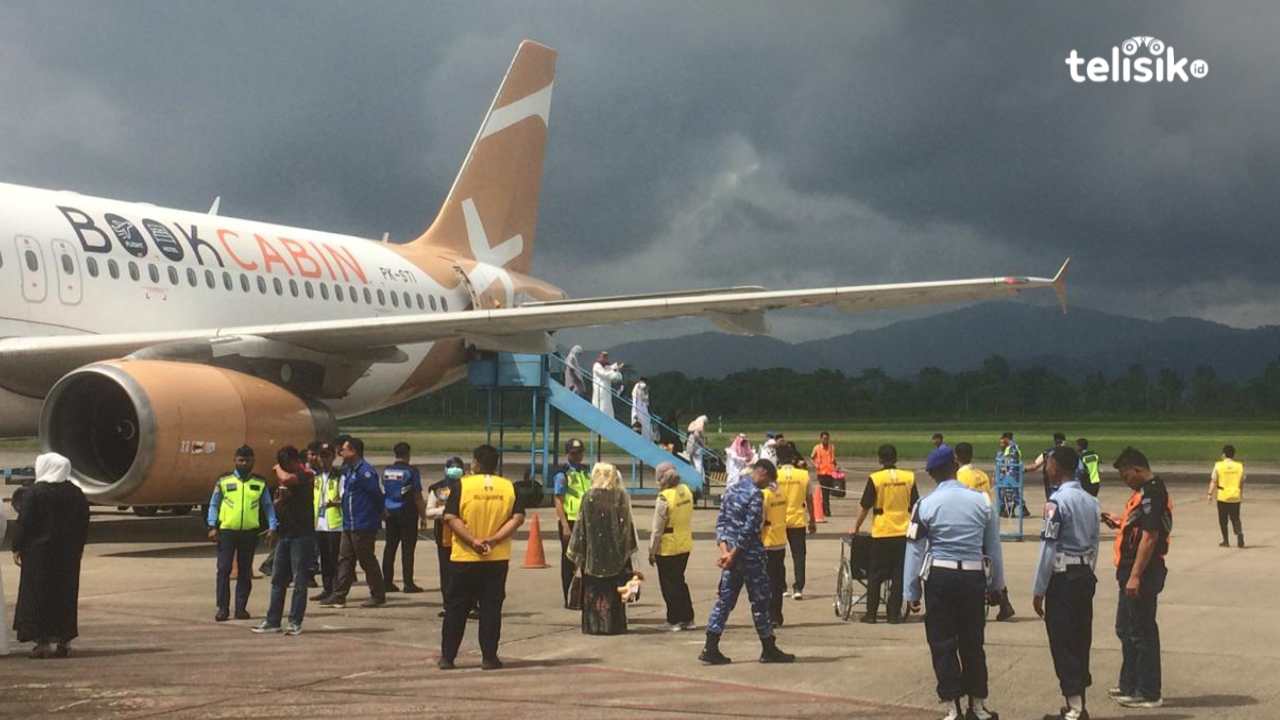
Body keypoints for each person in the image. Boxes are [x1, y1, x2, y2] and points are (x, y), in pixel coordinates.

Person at [903, 445, 1005, 720]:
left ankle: (952, 706)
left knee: (942, 642)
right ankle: (979, 705)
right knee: (973, 641)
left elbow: (914, 550)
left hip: (940, 577)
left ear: (932, 474)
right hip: (973, 576)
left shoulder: (924, 505)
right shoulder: (982, 501)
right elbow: (993, 548)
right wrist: (997, 586)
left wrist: (911, 590)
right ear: (955, 465)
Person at [699, 459, 795, 665]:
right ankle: (768, 647)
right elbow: (750, 529)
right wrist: (734, 554)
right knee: (760, 601)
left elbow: (722, 523)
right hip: (749, 557)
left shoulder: (731, 490)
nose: (767, 485)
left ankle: (711, 645)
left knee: (724, 601)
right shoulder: (755, 494)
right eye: (768, 480)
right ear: (761, 473)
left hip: (731, 558)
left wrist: (725, 552)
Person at [439, 444, 526, 670]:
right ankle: (489, 657)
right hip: (496, 557)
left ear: (475, 463)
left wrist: (472, 540)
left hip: (464, 557)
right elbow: (517, 518)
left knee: (456, 608)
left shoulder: (462, 485)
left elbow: (450, 517)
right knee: (490, 609)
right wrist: (494, 539)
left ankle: (448, 657)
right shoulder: (508, 487)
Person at [1032, 445, 1101, 720]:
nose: (1046, 468)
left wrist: (1039, 588)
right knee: (1081, 637)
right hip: (1084, 574)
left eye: (1048, 464)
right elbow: (1095, 542)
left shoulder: (1057, 503)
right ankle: (1078, 701)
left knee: (1062, 641)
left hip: (1063, 577)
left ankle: (1074, 709)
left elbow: (1048, 547)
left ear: (1057, 468)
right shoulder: (1090, 500)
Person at [1102, 447, 1171, 709]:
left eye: (1125, 475)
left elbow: (1151, 536)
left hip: (1142, 571)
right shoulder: (1143, 494)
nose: (1124, 480)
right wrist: (1121, 522)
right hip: (1130, 570)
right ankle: (1130, 684)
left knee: (1141, 631)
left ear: (1137, 469)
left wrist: (1135, 576)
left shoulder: (1153, 492)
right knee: (1126, 629)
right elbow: (1140, 528)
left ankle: (1148, 691)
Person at [11, 453, 90, 659]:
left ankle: (42, 643)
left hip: (39, 555)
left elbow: (25, 523)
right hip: (68, 555)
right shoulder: (76, 493)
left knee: (38, 596)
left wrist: (16, 546)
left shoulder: (34, 493)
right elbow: (83, 523)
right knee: (65, 595)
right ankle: (64, 641)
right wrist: (79, 548)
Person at [567, 463, 638, 635]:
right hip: (615, 554)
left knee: (594, 590)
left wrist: (577, 551)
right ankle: (614, 625)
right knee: (614, 591)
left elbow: (581, 527)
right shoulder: (620, 496)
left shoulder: (589, 496)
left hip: (593, 554)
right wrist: (627, 548)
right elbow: (626, 526)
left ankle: (593, 625)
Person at [207, 445, 276, 622]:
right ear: (235, 461)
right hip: (227, 531)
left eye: (248, 460)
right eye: (241, 460)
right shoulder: (224, 481)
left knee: (245, 571)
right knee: (224, 570)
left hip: (249, 533)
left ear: (253, 461)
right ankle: (222, 608)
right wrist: (212, 525)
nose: (244, 463)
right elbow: (214, 504)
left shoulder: (259, 483)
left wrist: (272, 526)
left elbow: (268, 506)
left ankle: (241, 608)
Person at [852, 444, 918, 624]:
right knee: (898, 575)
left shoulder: (875, 478)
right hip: (902, 531)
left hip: (882, 531)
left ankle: (871, 613)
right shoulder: (909, 477)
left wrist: (856, 527)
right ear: (896, 458)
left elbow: (865, 506)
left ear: (880, 459)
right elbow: (915, 505)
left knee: (875, 575)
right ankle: (893, 614)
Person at [255, 446, 317, 636]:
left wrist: (276, 468)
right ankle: (273, 620)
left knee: (299, 581)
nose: (285, 468)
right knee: (278, 579)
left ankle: (295, 621)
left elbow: (285, 478)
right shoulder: (285, 480)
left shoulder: (306, 474)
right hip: (285, 533)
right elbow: (278, 503)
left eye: (287, 464)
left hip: (302, 534)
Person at [322, 437, 386, 609]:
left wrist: (380, 513)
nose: (340, 453)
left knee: (366, 559)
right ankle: (339, 594)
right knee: (345, 559)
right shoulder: (349, 470)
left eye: (343, 449)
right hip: (349, 522)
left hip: (363, 523)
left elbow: (376, 495)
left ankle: (378, 594)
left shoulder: (365, 472)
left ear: (353, 451)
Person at [956, 442, 1015, 622]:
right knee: (994, 557)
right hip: (990, 516)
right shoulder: (980, 473)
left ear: (956, 457)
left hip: (974, 521)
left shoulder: (960, 475)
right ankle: (1002, 598)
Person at [648, 462, 695, 631]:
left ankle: (673, 619)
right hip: (684, 543)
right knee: (680, 581)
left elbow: (657, 529)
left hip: (668, 547)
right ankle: (687, 618)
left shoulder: (664, 498)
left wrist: (652, 551)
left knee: (669, 585)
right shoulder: (686, 491)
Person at [381, 442, 426, 593]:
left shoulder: (387, 471)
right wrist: (423, 516)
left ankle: (387, 581)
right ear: (408, 454)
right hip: (407, 512)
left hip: (389, 511)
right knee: (408, 549)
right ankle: (408, 583)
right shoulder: (412, 471)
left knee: (390, 547)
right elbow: (417, 495)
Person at [553, 439, 591, 608]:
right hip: (570, 519)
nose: (578, 456)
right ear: (567, 453)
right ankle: (568, 595)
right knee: (569, 559)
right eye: (574, 453)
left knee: (586, 559)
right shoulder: (562, 474)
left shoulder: (586, 472)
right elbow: (558, 501)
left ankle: (583, 594)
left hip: (586, 520)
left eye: (580, 452)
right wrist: (564, 526)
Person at [776, 444, 816, 600]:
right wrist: (812, 520)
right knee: (799, 555)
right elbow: (810, 499)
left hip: (778, 519)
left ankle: (782, 586)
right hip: (798, 519)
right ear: (793, 458)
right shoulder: (803, 475)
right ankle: (798, 587)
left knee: (778, 555)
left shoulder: (775, 476)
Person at [427, 456, 465, 617]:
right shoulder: (438, 489)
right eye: (451, 466)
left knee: (466, 571)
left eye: (458, 467)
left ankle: (470, 604)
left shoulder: (468, 486)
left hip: (465, 536)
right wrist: (445, 511)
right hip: (444, 536)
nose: (455, 469)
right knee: (447, 571)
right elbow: (429, 512)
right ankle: (449, 605)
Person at [309, 442, 343, 603]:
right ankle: (327, 588)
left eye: (326, 456)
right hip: (320, 522)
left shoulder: (339, 476)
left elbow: (343, 497)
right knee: (324, 558)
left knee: (334, 558)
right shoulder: (316, 477)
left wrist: (334, 503)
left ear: (333, 457)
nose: (323, 459)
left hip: (334, 523)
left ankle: (336, 590)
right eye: (321, 456)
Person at [761, 472, 789, 627]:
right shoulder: (781, 492)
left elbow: (760, 519)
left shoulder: (764, 494)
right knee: (777, 582)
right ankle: (777, 616)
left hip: (767, 541)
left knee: (767, 582)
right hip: (780, 540)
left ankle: (769, 616)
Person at [1208, 444, 1245, 548]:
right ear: (1233, 455)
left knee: (1223, 519)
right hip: (1235, 496)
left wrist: (1210, 493)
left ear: (1224, 454)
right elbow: (1241, 482)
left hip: (1223, 496)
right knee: (1236, 518)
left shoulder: (1218, 465)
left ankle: (1226, 541)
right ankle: (1239, 534)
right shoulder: (1239, 466)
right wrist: (1241, 493)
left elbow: (1213, 481)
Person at [1023, 433, 1068, 501]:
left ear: (1055, 441)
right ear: (1064, 441)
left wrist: (1021, 469)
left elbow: (1035, 466)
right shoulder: (1070, 452)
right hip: (1066, 482)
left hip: (1050, 482)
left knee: (1052, 502)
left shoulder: (1047, 452)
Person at [810, 431, 841, 518]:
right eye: (824, 438)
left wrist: (837, 466)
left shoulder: (831, 447)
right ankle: (826, 510)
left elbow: (833, 459)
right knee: (825, 493)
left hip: (830, 472)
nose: (825, 440)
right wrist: (815, 464)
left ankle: (826, 509)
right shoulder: (817, 448)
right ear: (821, 439)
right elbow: (812, 458)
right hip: (821, 473)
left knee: (830, 491)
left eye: (827, 438)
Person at [994, 432, 1025, 519]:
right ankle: (1005, 508)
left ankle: (1010, 509)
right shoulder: (1006, 449)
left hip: (1010, 475)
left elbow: (1011, 464)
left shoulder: (1012, 448)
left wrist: (1007, 475)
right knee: (1007, 493)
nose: (1001, 442)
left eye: (1002, 440)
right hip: (1005, 475)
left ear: (1006, 439)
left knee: (1011, 492)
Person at [591, 351, 624, 419]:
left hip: (606, 390)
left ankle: (609, 424)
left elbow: (611, 369)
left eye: (606, 357)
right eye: (603, 357)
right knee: (602, 408)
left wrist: (617, 368)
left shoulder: (605, 366)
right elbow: (605, 374)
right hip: (600, 391)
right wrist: (615, 372)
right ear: (600, 357)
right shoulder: (597, 365)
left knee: (608, 407)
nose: (605, 359)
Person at [631, 376, 653, 442]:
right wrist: (635, 413)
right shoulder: (638, 386)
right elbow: (635, 399)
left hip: (642, 408)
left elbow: (646, 400)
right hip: (638, 408)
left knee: (646, 426)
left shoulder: (643, 388)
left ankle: (647, 440)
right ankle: (644, 440)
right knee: (641, 426)